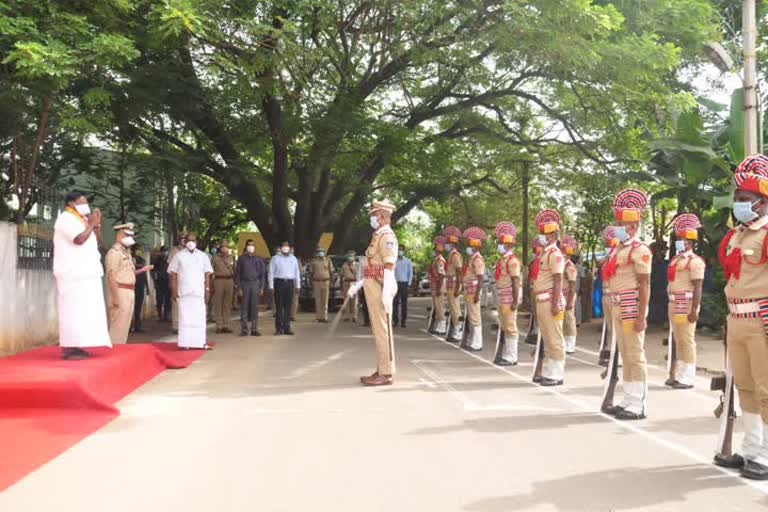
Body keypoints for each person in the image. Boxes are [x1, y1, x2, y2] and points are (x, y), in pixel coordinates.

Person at [715, 154, 768, 479]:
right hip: (737, 319)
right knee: (745, 387)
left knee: (766, 388)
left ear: (761, 202)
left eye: (744, 199)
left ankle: (766, 454)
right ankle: (751, 449)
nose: (738, 204)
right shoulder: (738, 235)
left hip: (761, 320)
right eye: (736, 199)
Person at [602, 188, 651, 420]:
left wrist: (642, 316)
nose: (617, 227)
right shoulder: (617, 250)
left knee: (634, 354)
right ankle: (628, 398)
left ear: (632, 227)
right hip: (617, 306)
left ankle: (637, 403)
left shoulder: (639, 250)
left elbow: (644, 284)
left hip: (631, 305)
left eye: (620, 223)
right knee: (624, 354)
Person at [53, 191, 111, 359]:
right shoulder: (65, 218)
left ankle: (78, 345)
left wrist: (96, 224)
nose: (86, 205)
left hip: (87, 274)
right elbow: (78, 240)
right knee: (72, 310)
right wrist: (91, 224)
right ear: (71, 203)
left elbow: (99, 241)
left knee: (84, 312)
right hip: (72, 274)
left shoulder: (82, 220)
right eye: (81, 202)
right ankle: (69, 347)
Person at [347, 200, 399, 386]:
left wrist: (386, 292)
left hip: (380, 287)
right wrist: (360, 283)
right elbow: (373, 267)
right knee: (378, 330)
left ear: (383, 217)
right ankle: (382, 368)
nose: (373, 218)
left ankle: (385, 373)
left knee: (383, 330)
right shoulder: (377, 236)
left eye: (375, 215)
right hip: (373, 284)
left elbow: (389, 266)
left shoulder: (387, 236)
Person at [665, 214, 705, 390]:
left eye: (682, 239)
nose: (679, 242)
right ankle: (677, 374)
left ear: (690, 242)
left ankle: (687, 377)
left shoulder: (695, 261)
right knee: (677, 339)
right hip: (673, 303)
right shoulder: (676, 259)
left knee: (686, 340)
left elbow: (698, 286)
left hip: (685, 303)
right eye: (678, 238)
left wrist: (694, 309)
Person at [531, 209, 566, 386]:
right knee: (547, 337)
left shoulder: (555, 254)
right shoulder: (545, 253)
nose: (542, 236)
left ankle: (557, 373)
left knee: (554, 338)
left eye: (545, 234)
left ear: (553, 235)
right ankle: (550, 371)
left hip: (551, 299)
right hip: (542, 299)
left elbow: (558, 278)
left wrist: (554, 303)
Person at [168, 233, 213, 350]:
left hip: (199, 292)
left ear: (196, 242)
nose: (190, 242)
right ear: (184, 242)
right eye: (188, 240)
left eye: (193, 240)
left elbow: (207, 274)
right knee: (185, 319)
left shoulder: (203, 256)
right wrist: (173, 290)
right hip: (184, 292)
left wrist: (207, 289)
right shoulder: (178, 256)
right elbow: (173, 274)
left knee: (199, 319)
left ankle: (200, 343)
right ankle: (185, 343)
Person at [493, 222, 521, 365]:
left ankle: (512, 357)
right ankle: (506, 354)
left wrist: (515, 301)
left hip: (509, 297)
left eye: (501, 243)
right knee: (504, 325)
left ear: (508, 245)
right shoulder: (502, 259)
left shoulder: (512, 260)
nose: (499, 245)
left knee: (510, 326)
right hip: (502, 296)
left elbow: (516, 281)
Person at [461, 227, 487, 351]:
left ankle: (477, 343)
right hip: (469, 291)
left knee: (475, 317)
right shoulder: (471, 258)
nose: (467, 247)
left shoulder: (478, 259)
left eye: (469, 245)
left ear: (475, 247)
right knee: (472, 317)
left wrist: (477, 294)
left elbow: (480, 277)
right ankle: (473, 341)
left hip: (474, 291)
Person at [235, 239, 266, 336]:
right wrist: (239, 288)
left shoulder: (258, 259)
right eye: (249, 245)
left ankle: (254, 329)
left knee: (254, 307)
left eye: (252, 245)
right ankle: (244, 330)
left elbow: (262, 275)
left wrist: (261, 287)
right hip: (245, 284)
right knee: (244, 307)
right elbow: (237, 274)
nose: (251, 247)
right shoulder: (241, 259)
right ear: (246, 246)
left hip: (255, 284)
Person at [269, 241, 301, 335]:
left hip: (290, 284)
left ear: (290, 248)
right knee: (279, 306)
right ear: (281, 247)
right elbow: (270, 273)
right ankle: (279, 328)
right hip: (279, 283)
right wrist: (271, 286)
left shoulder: (293, 259)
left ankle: (287, 328)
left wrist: (298, 285)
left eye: (287, 246)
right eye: (283, 246)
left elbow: (297, 273)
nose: (285, 247)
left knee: (288, 307)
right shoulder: (275, 258)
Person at [598, 226, 619, 365]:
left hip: (614, 295)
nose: (607, 244)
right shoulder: (608, 258)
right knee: (611, 327)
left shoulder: (617, 256)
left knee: (617, 328)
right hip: (606, 294)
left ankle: (618, 356)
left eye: (608, 242)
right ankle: (613, 354)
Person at [443, 225, 464, 342]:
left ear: (452, 245)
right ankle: (456, 330)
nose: (446, 245)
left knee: (456, 309)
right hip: (450, 284)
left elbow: (459, 272)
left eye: (447, 243)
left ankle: (459, 331)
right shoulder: (450, 255)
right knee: (452, 308)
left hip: (454, 283)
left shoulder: (455, 256)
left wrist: (458, 288)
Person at [211, 240, 236, 333]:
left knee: (227, 303)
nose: (224, 248)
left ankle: (226, 325)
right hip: (218, 280)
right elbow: (210, 271)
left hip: (229, 281)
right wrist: (210, 283)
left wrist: (236, 283)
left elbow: (235, 270)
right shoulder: (215, 258)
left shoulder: (232, 258)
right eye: (223, 246)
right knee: (218, 303)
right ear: (220, 248)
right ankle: (219, 325)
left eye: (226, 246)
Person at [561, 235, 580, 354]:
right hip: (561, 296)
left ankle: (571, 344)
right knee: (562, 321)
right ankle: (564, 342)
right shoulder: (561, 264)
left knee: (569, 320)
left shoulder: (570, 266)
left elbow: (573, 285)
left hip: (568, 296)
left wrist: (570, 301)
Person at [167, 233, 186, 333]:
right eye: (182, 238)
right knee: (176, 302)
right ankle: (176, 326)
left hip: (188, 280)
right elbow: (170, 268)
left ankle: (185, 325)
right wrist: (171, 282)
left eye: (185, 239)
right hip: (177, 279)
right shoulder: (174, 251)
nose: (183, 240)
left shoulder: (190, 251)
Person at [428, 236, 448, 335]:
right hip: (435, 285)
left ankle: (442, 327)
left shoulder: (440, 260)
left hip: (438, 285)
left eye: (434, 249)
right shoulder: (436, 259)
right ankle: (440, 325)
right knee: (437, 306)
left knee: (440, 306)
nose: (433, 251)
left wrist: (439, 288)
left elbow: (441, 275)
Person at [311, 246, 334, 323]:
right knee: (317, 300)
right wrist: (311, 283)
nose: (320, 253)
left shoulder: (328, 260)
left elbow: (331, 272)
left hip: (326, 281)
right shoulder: (314, 261)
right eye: (319, 251)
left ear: (324, 252)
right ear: (317, 253)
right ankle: (318, 317)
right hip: (316, 282)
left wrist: (332, 282)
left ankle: (324, 317)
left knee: (325, 300)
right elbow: (311, 273)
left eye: (322, 251)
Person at [393, 245, 414, 328]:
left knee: (404, 304)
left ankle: (403, 321)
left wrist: (409, 283)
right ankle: (395, 321)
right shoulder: (394, 261)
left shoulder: (408, 261)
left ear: (404, 251)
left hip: (404, 284)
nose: (400, 251)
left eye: (401, 250)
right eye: (399, 250)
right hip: (395, 283)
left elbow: (410, 273)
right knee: (395, 303)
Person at [131, 244, 150, 333]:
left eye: (140, 249)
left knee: (138, 307)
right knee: (131, 307)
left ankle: (138, 326)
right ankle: (130, 327)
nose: (139, 251)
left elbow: (145, 274)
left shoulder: (143, 260)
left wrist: (147, 287)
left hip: (141, 286)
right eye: (137, 249)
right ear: (133, 250)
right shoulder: (130, 260)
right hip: (132, 285)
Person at [153, 246, 171, 321]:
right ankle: (160, 315)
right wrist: (154, 281)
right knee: (159, 300)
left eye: (166, 251)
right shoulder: (157, 260)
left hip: (168, 282)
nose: (165, 253)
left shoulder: (170, 260)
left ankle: (166, 316)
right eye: (163, 251)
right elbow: (153, 271)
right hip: (159, 282)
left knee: (167, 300)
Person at [340, 251, 359, 322]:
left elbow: (359, 275)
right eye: (349, 256)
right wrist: (341, 285)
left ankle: (354, 316)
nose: (350, 257)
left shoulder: (357, 265)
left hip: (354, 283)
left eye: (351, 256)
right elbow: (341, 275)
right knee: (346, 300)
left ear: (354, 257)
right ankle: (347, 316)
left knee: (355, 301)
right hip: (346, 283)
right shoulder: (344, 265)